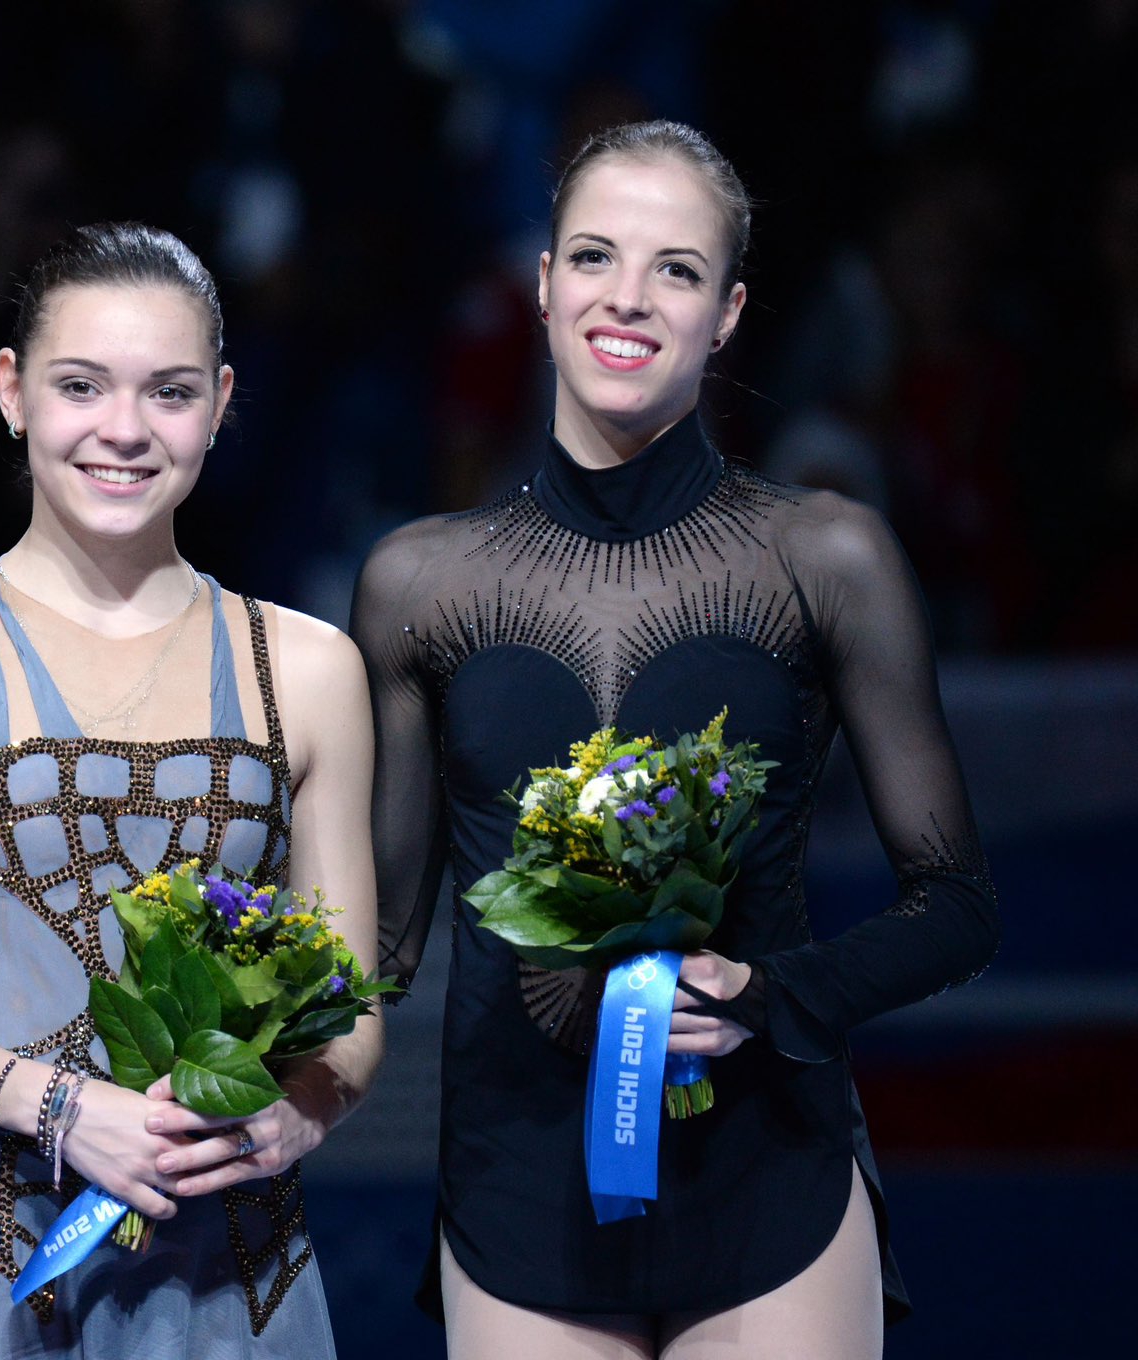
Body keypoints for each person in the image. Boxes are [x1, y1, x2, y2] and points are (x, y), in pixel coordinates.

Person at [351, 121, 1000, 1359]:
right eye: (595, 256)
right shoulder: (416, 584)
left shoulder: (823, 557)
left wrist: (770, 996)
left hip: (768, 1182)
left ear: (727, 314)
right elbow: (378, 948)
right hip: (515, 1196)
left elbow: (956, 905)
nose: (628, 298)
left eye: (677, 270)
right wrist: (217, 1052)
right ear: (543, 284)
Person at [0, 223, 382, 1356]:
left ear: (220, 404)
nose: (123, 429)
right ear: (11, 390)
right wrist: (65, 1109)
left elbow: (350, 1007)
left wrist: (291, 1116)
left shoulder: (310, 668)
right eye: (80, 386)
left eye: (168, 392)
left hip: (233, 1277)